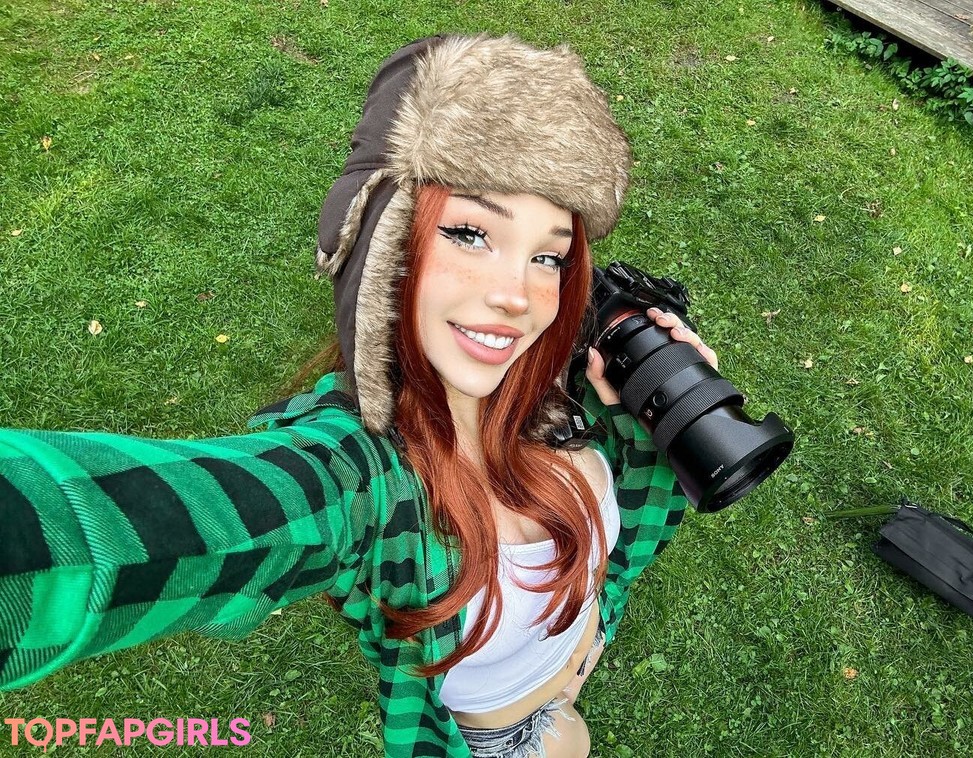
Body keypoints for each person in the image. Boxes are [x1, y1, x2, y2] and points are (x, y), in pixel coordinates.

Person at [0, 34, 718, 758]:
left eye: (547, 256)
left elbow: (622, 535)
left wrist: (654, 402)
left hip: (572, 681)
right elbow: (119, 529)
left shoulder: (566, 394)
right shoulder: (361, 477)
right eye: (470, 233)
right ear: (386, 246)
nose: (517, 296)